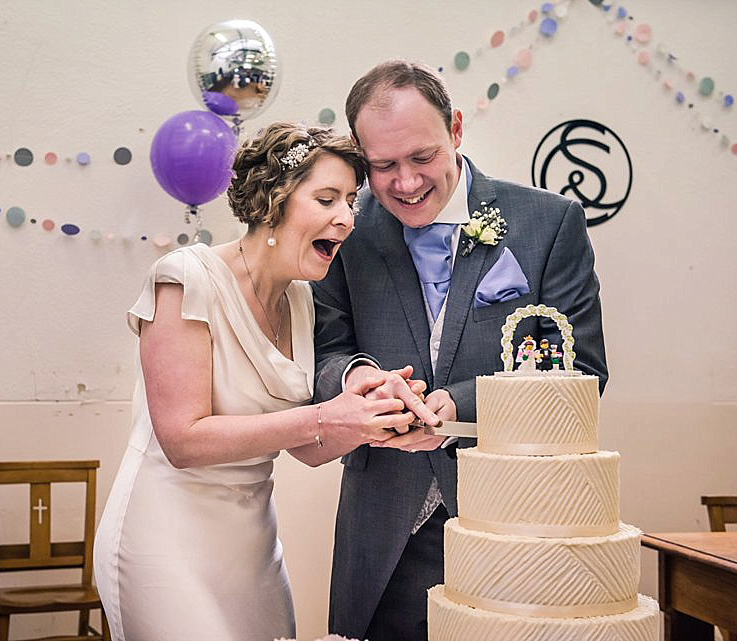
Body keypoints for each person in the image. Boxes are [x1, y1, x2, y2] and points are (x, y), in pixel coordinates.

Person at [312, 60, 609, 641]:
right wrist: (361, 384)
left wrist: (462, 403)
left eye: (421, 158)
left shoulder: (548, 224)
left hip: (515, 517)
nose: (405, 183)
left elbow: (583, 369)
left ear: (456, 130)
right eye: (383, 166)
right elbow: (325, 349)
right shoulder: (344, 229)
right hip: (384, 518)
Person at [93, 122, 417, 641]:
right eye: (328, 199)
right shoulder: (185, 278)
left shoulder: (303, 301)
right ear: (275, 201)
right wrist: (323, 416)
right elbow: (182, 440)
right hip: (165, 542)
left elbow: (307, 449)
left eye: (350, 202)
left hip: (251, 551)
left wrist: (373, 416)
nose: (347, 219)